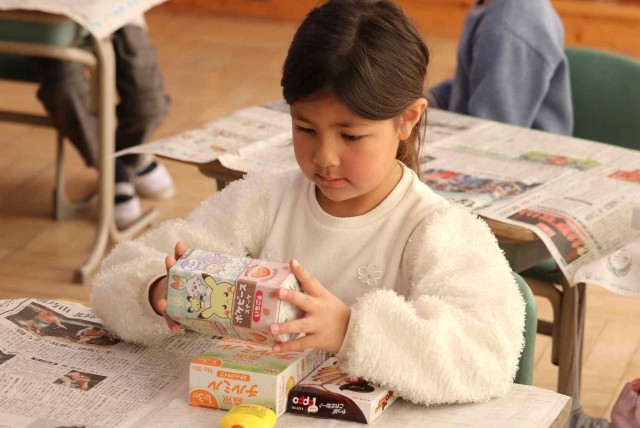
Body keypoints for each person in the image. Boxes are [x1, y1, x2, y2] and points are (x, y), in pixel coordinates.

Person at [92, 0, 525, 405]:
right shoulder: (263, 200)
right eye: (305, 129)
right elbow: (119, 274)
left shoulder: (436, 229)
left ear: (407, 120)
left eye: (351, 135)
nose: (324, 157)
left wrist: (349, 329)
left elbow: (488, 356)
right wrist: (156, 289)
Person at [35, 15, 175, 229]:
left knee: (147, 103)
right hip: (50, 20)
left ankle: (131, 156)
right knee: (65, 87)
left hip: (118, 14)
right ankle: (114, 169)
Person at [427, 0, 573, 135]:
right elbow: (469, 87)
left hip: (503, 146)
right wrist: (431, 99)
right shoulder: (496, 10)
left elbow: (491, 133)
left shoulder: (507, 28)